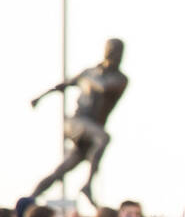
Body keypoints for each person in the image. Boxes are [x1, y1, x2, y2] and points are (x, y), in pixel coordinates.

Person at [29, 38, 128, 206]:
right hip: (76, 122)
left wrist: (88, 77)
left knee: (62, 170)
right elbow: (63, 85)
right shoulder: (89, 72)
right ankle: (88, 186)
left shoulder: (119, 79)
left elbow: (104, 86)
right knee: (103, 138)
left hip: (91, 133)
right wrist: (40, 97)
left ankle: (31, 198)